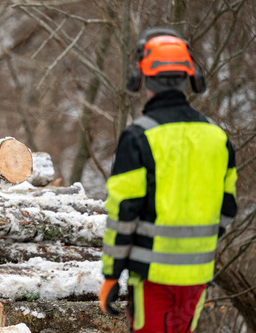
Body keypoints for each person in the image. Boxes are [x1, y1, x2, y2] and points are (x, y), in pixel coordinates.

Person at [98, 27, 238, 333]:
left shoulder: (138, 136)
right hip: (198, 277)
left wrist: (112, 275)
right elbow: (228, 209)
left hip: (152, 278)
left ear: (142, 78)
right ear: (190, 79)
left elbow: (123, 214)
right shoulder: (218, 137)